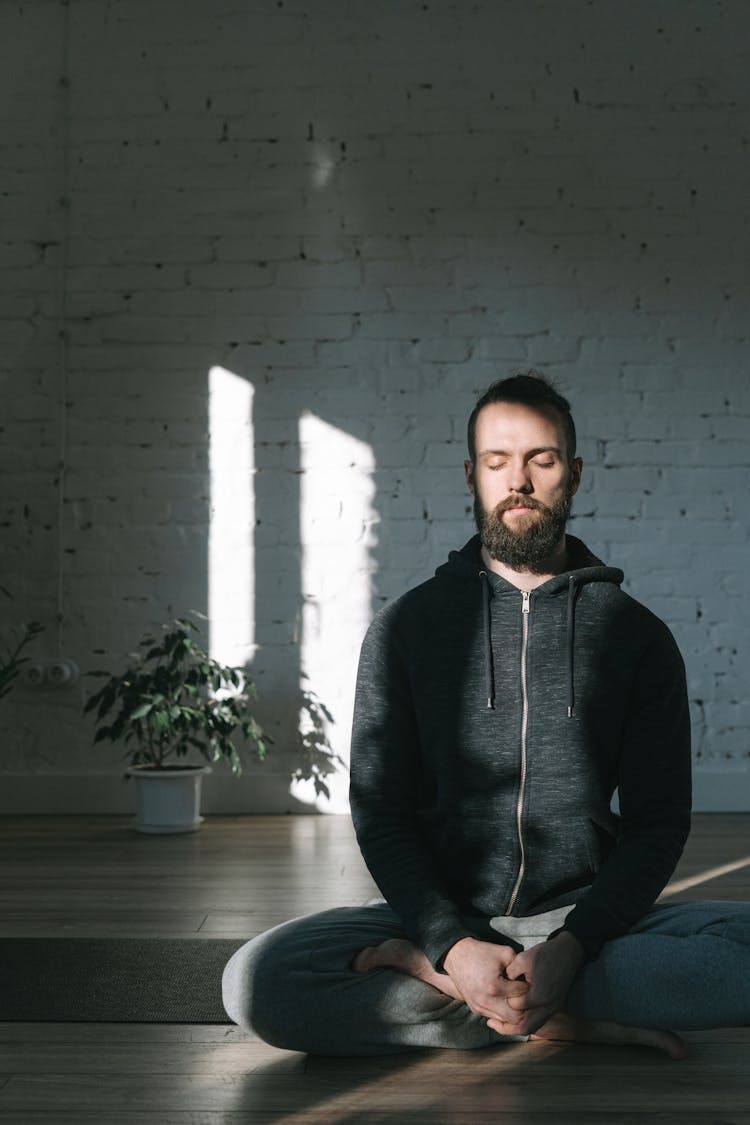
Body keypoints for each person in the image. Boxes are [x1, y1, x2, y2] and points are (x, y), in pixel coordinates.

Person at [223, 373, 750, 1058]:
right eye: (498, 462)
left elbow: (658, 823)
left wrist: (573, 945)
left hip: (589, 924)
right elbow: (381, 813)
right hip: (443, 920)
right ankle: (546, 1010)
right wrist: (451, 945)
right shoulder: (408, 627)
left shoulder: (635, 636)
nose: (519, 481)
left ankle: (493, 999)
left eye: (542, 459)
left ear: (575, 473)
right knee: (257, 981)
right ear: (471, 475)